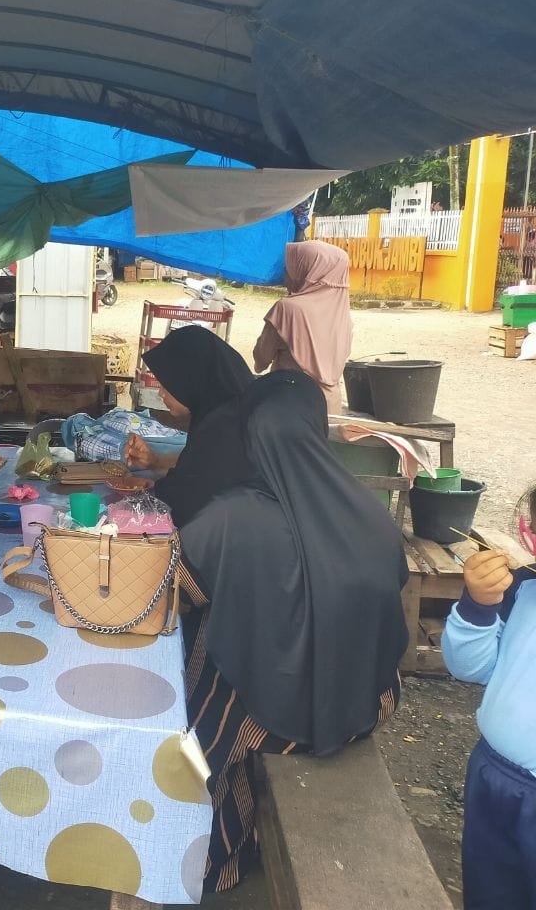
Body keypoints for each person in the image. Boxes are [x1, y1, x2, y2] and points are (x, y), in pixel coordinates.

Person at [178, 371, 407, 891]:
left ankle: (220, 855)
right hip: (364, 701)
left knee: (203, 658)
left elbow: (181, 591)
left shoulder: (230, 517)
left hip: (271, 721)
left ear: (250, 437)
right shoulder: (371, 514)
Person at [441, 485, 535, 909]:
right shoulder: (523, 589)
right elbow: (471, 668)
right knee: (491, 893)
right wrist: (480, 605)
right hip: (492, 776)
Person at [123, 325, 255, 527]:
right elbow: (194, 464)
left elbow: (186, 496)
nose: (161, 394)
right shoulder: (216, 413)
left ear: (190, 380)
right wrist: (155, 461)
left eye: (167, 384)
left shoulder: (227, 428)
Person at [252, 239, 353, 413]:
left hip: (290, 403)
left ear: (308, 270)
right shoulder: (342, 314)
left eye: (292, 266)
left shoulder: (288, 308)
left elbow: (261, 358)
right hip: (329, 408)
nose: (286, 272)